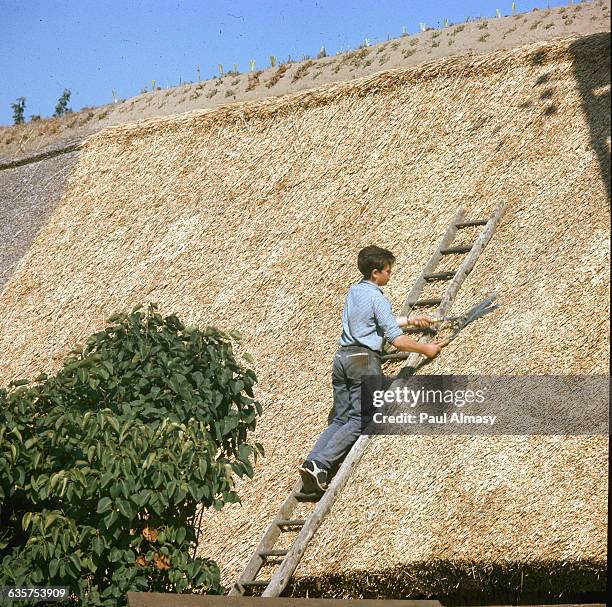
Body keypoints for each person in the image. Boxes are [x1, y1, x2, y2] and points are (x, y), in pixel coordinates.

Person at [299, 245, 443, 493]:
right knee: (362, 417)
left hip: (342, 359)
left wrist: (411, 319)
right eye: (388, 271)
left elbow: (374, 322)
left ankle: (312, 461)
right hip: (363, 361)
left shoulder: (354, 292)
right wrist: (425, 349)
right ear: (375, 272)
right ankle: (323, 463)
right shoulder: (378, 297)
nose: (390, 275)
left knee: (341, 418)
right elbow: (396, 340)